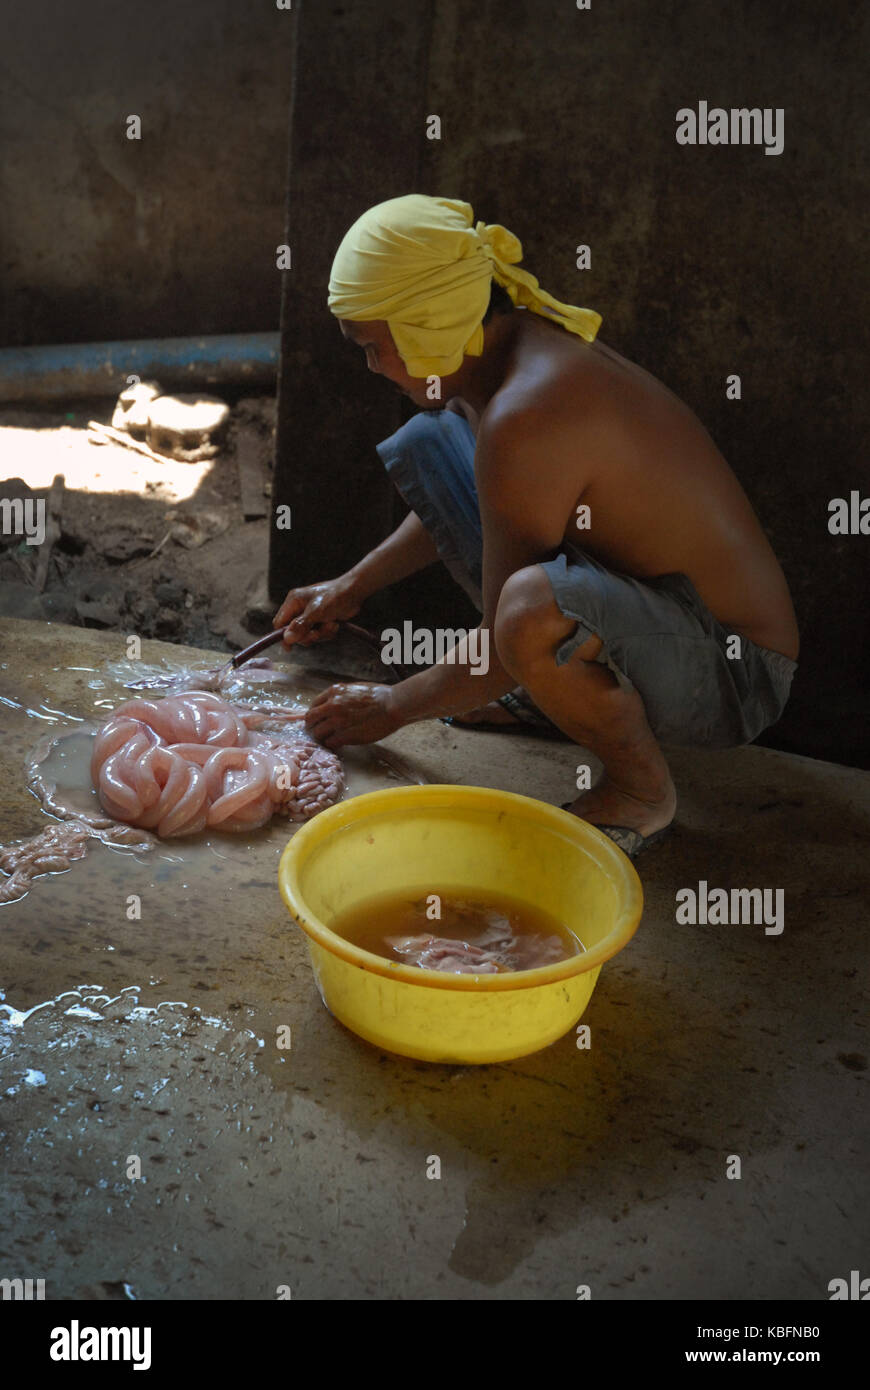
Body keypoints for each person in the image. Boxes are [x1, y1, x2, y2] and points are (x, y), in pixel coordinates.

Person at [273, 194, 799, 858]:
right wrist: (352, 585)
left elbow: (504, 631)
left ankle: (641, 794)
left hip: (737, 673)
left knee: (526, 618)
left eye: (375, 347)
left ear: (430, 326)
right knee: (429, 443)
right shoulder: (500, 354)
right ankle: (547, 686)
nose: (372, 367)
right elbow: (498, 507)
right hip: (655, 614)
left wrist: (394, 707)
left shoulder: (530, 411)